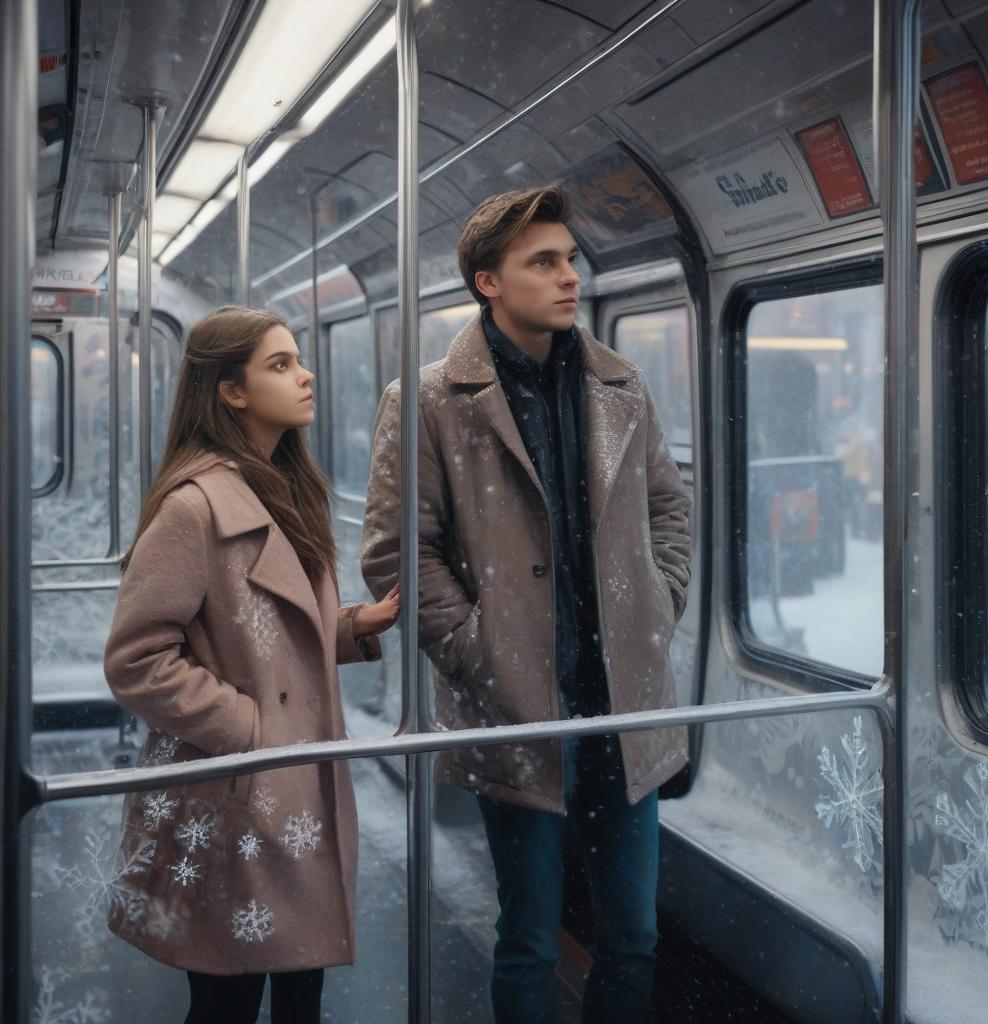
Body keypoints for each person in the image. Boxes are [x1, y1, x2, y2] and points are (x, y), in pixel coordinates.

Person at [361, 186, 692, 1023]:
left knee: (635, 935)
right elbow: (399, 550)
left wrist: (657, 602)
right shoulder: (430, 402)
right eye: (542, 262)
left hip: (624, 704)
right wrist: (477, 648)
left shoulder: (621, 385)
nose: (569, 277)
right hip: (514, 705)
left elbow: (668, 508)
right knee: (530, 938)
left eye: (571, 258)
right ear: (488, 283)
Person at [104, 305, 399, 1024]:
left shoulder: (287, 490)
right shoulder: (194, 509)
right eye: (280, 365)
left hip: (295, 791)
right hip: (240, 792)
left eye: (299, 359)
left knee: (301, 992)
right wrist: (252, 726)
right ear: (230, 390)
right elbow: (138, 659)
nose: (304, 376)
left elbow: (267, 635)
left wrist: (355, 626)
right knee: (229, 999)